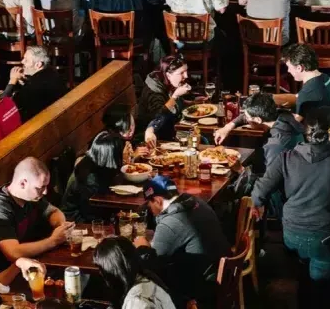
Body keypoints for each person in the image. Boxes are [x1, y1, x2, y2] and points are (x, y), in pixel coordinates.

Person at [252, 107, 330, 308]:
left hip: (292, 235)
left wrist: (258, 207)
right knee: (322, 294)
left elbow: (259, 191)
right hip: (325, 238)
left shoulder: (285, 158)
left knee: (303, 283)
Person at [134, 176, 229, 305]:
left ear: (158, 200)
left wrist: (142, 248)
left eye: (149, 203)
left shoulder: (169, 224)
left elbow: (153, 267)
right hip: (218, 271)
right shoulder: (197, 202)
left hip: (199, 288)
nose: (149, 209)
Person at [0, 158, 73, 273]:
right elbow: (13, 253)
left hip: (21, 266)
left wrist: (61, 227)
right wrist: (53, 240)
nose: (45, 192)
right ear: (23, 183)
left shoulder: (30, 196)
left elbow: (53, 212)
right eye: (40, 187)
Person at [214, 91, 304, 169]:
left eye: (247, 116)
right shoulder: (285, 117)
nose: (245, 118)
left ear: (258, 120)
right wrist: (227, 127)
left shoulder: (275, 146)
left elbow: (269, 182)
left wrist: (240, 170)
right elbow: (247, 117)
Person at [93, 237, 176, 309]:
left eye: (102, 270)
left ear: (114, 271)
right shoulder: (146, 275)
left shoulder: (137, 302)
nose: (101, 273)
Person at [61, 131, 124, 222]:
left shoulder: (93, 162)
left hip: (92, 214)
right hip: (77, 221)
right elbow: (91, 213)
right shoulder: (89, 179)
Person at [2, 46, 67, 123]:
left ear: (38, 65)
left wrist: (12, 81)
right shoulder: (53, 73)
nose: (22, 62)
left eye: (26, 60)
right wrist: (25, 81)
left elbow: (3, 106)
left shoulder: (32, 86)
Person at [138, 55, 191, 148]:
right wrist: (175, 96)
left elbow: (172, 103)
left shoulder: (166, 82)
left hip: (171, 128)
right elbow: (158, 115)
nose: (186, 76)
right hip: (154, 136)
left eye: (186, 71)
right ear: (168, 75)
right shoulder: (154, 90)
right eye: (181, 73)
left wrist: (192, 103)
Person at [283, 44, 330, 119]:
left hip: (315, 129)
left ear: (299, 68)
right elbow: (297, 96)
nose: (288, 71)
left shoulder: (305, 94)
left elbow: (292, 125)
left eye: (289, 67)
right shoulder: (326, 78)